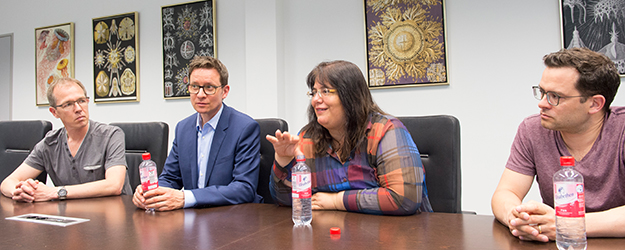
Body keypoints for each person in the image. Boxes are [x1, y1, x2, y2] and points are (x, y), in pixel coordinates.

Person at [491, 47, 625, 242]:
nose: (542, 103)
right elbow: (505, 192)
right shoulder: (532, 130)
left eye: (555, 96)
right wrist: (519, 218)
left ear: (595, 104)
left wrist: (569, 224)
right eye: (542, 92)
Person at [267, 60, 432, 215]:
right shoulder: (307, 137)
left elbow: (403, 199)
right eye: (314, 92)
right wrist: (283, 160)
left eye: (325, 91)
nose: (316, 100)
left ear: (350, 97)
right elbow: (285, 200)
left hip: (401, 235)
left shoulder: (387, 131)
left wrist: (337, 201)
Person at [132, 56, 262, 211]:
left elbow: (244, 188)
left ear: (225, 91)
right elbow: (170, 178)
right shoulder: (183, 128)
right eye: (195, 86)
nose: (200, 94)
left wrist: (185, 198)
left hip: (233, 218)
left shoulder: (245, 128)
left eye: (209, 87)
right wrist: (150, 192)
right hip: (194, 220)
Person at [0, 77, 132, 202]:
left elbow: (114, 185)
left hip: (112, 217)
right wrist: (19, 192)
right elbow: (8, 182)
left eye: (81, 100)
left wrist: (54, 192)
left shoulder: (111, 135)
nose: (79, 109)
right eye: (68, 104)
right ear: (54, 112)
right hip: (70, 218)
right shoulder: (49, 144)